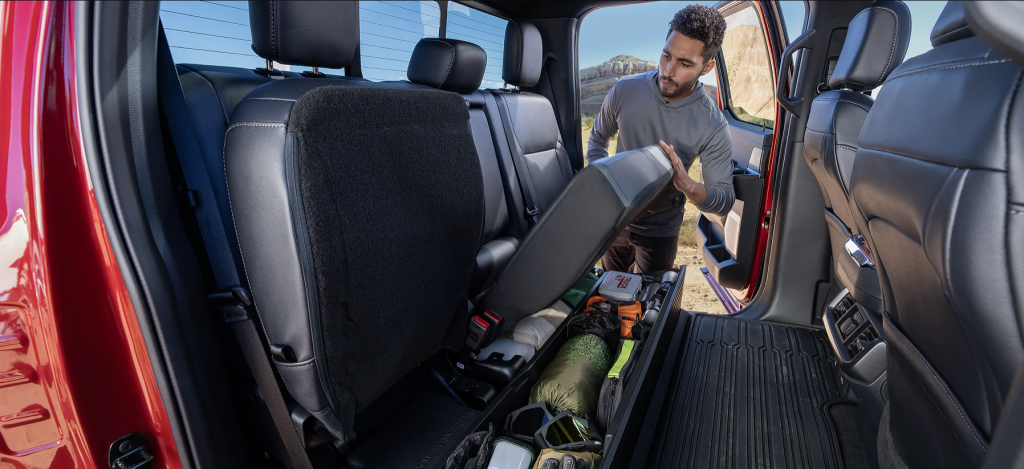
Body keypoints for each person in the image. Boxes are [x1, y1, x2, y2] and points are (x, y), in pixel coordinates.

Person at [588, 4, 734, 273]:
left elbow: (724, 199)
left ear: (707, 67)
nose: (668, 71)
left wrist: (689, 186)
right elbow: (598, 138)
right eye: (666, 56)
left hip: (661, 229)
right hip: (615, 219)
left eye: (684, 63)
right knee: (609, 290)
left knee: (651, 297)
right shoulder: (624, 89)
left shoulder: (713, 124)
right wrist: (604, 187)